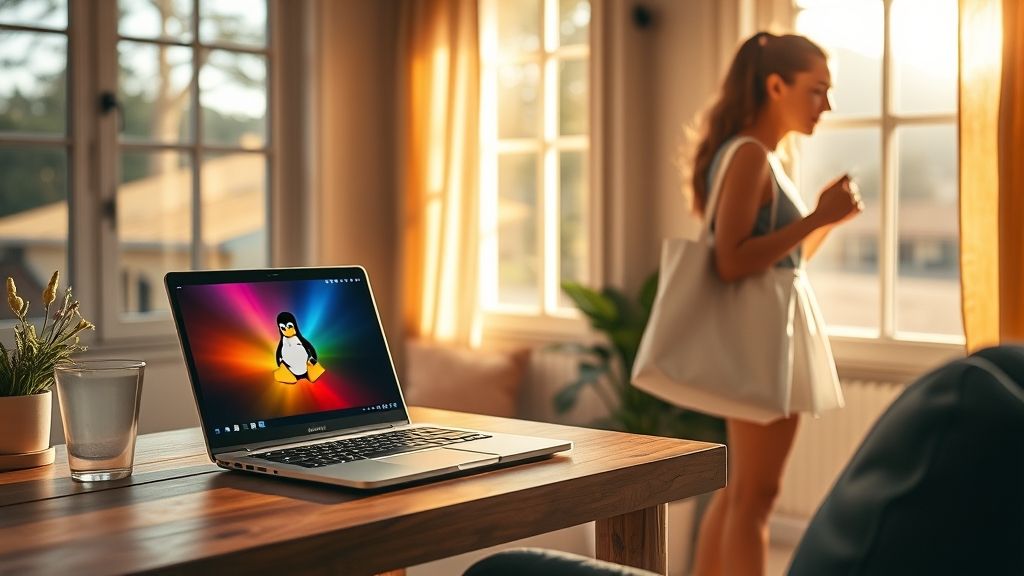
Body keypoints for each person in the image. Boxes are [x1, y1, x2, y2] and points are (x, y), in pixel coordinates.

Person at [688, 32, 863, 576]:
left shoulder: (757, 155)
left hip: (766, 338)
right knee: (757, 498)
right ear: (775, 85)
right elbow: (731, 261)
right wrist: (815, 216)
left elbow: (783, 261)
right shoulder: (748, 155)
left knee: (743, 490)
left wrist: (823, 221)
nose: (827, 105)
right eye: (817, 90)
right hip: (764, 343)